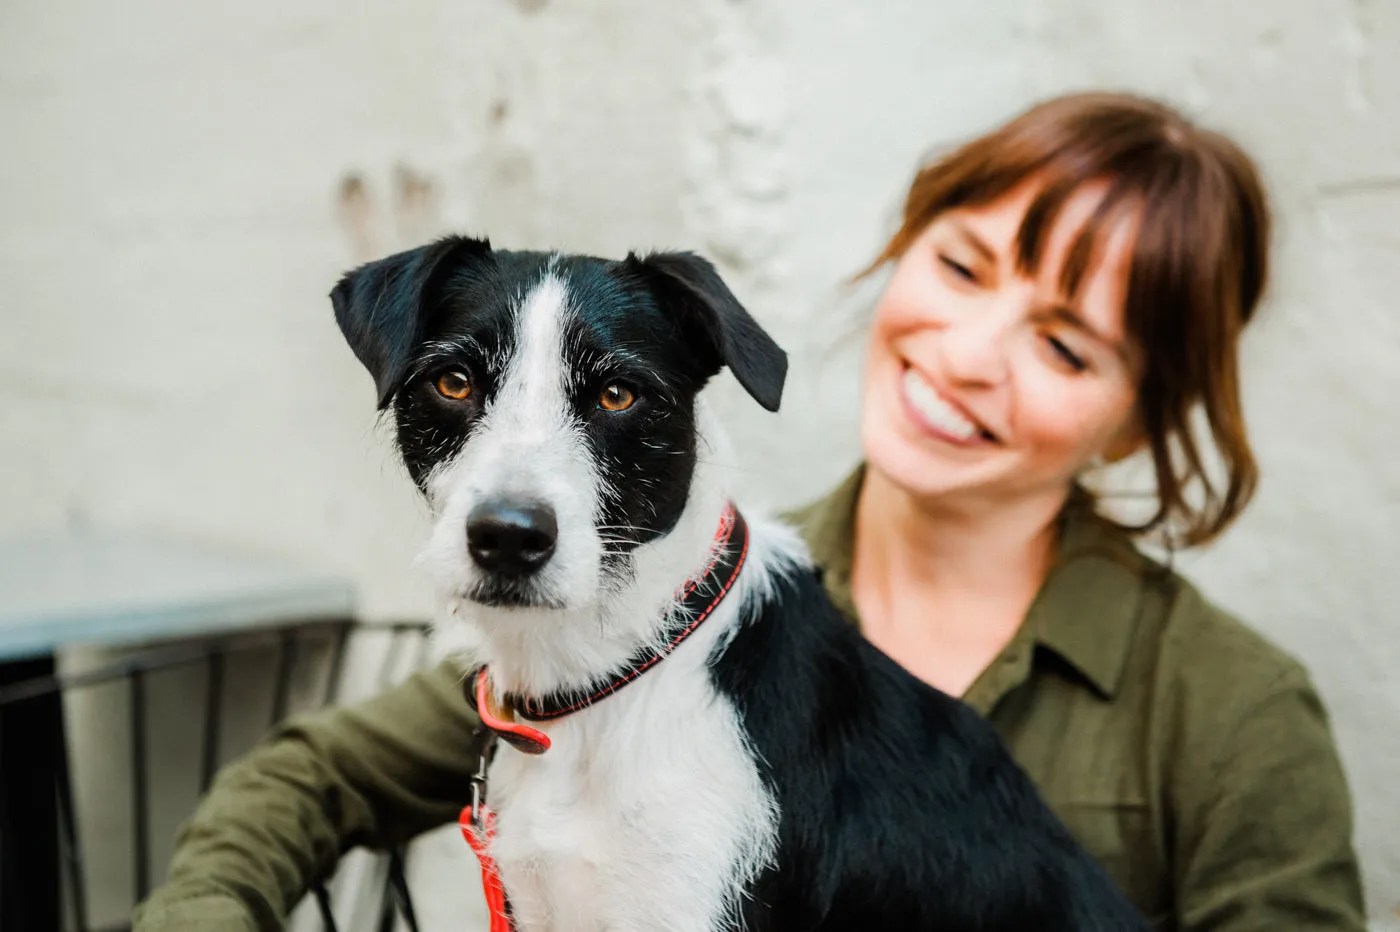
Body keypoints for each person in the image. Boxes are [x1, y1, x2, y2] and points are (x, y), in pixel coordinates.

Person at [133, 91, 1367, 930]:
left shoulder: (1229, 708)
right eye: (961, 266)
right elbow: (305, 785)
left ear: (1144, 412)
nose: (972, 351)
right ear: (901, 252)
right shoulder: (620, 620)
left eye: (1061, 341)